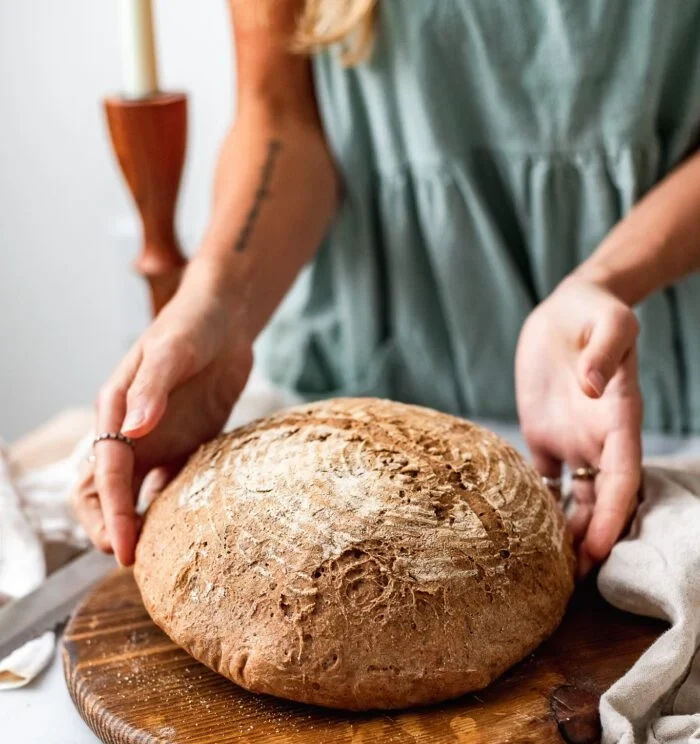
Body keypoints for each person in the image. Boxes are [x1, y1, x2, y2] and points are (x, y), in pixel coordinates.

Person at [74, 0, 700, 576]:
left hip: (638, 375)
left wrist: (604, 281)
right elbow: (282, 119)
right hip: (369, 363)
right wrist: (213, 302)